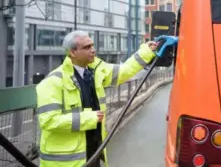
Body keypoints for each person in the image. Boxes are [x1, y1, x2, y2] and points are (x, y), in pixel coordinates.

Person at [35, 30, 159, 167]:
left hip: (92, 153)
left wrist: (147, 51)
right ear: (72, 53)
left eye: (92, 46)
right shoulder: (53, 82)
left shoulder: (96, 71)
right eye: (87, 47)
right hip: (65, 162)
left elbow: (125, 70)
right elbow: (48, 121)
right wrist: (89, 118)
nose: (93, 50)